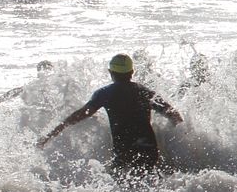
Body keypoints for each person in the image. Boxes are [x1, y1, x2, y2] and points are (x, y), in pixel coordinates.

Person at [38, 53, 183, 176]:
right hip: (149, 149)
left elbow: (81, 114)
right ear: (132, 72)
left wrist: (52, 133)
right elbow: (173, 114)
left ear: (111, 72)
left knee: (122, 186)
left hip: (124, 150)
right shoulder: (145, 92)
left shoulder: (104, 93)